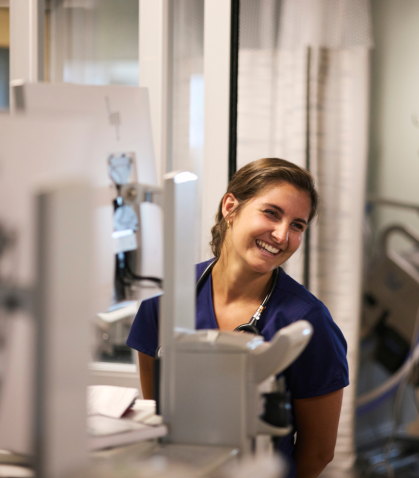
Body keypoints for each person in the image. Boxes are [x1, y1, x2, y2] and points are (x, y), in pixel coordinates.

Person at [126, 158, 349, 478]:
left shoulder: (307, 322)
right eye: (271, 213)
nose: (283, 235)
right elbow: (158, 416)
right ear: (231, 207)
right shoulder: (163, 301)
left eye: (297, 225)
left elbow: (317, 452)